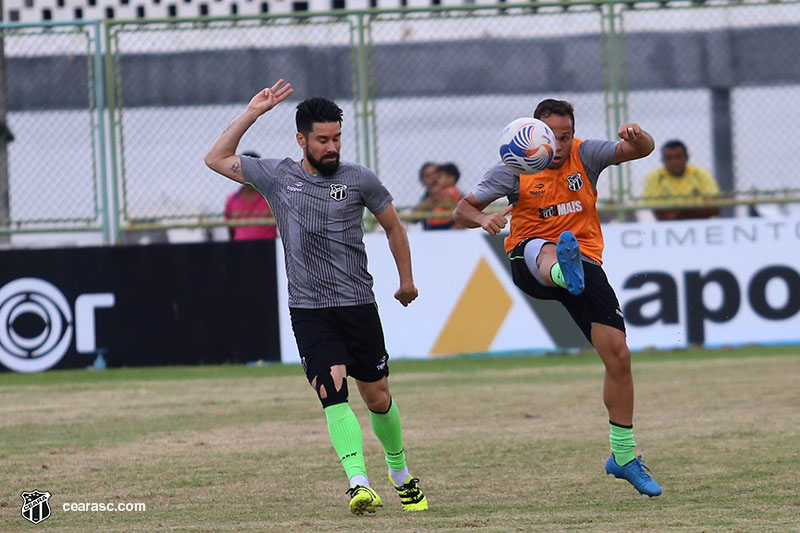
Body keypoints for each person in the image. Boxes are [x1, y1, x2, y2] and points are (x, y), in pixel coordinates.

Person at [204, 80, 428, 515]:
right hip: (309, 310)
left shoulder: (360, 178)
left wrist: (406, 280)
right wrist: (253, 113)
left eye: (337, 138)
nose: (332, 147)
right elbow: (215, 158)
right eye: (323, 140)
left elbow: (395, 227)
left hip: (357, 304)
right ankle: (359, 483)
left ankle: (399, 472)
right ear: (301, 139)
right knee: (331, 387)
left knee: (377, 396)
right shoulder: (277, 176)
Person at [453, 99, 663, 497]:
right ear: (537, 134)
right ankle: (560, 271)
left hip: (585, 263)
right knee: (545, 247)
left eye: (565, 136)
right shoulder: (514, 167)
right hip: (529, 259)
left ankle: (622, 456)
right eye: (553, 137)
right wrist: (484, 219)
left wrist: (639, 136)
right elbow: (462, 210)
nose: (560, 146)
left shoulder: (586, 154)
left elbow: (641, 150)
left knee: (618, 354)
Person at [643, 139, 721, 220]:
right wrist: (694, 209)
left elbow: (714, 207)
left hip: (701, 225)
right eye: (669, 158)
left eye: (678, 157)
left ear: (686, 157)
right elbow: (656, 212)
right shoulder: (654, 177)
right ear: (662, 160)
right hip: (666, 228)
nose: (674, 162)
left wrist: (677, 212)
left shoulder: (700, 174)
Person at [223, 151, 278, 240]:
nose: (248, 173)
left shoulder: (271, 196)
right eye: (244, 169)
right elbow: (231, 230)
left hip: (268, 248)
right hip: (241, 248)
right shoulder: (232, 199)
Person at [420, 162, 463, 230]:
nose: (437, 180)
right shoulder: (433, 193)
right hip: (435, 225)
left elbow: (447, 203)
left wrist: (436, 197)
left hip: (445, 224)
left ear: (451, 179)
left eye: (440, 177)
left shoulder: (450, 191)